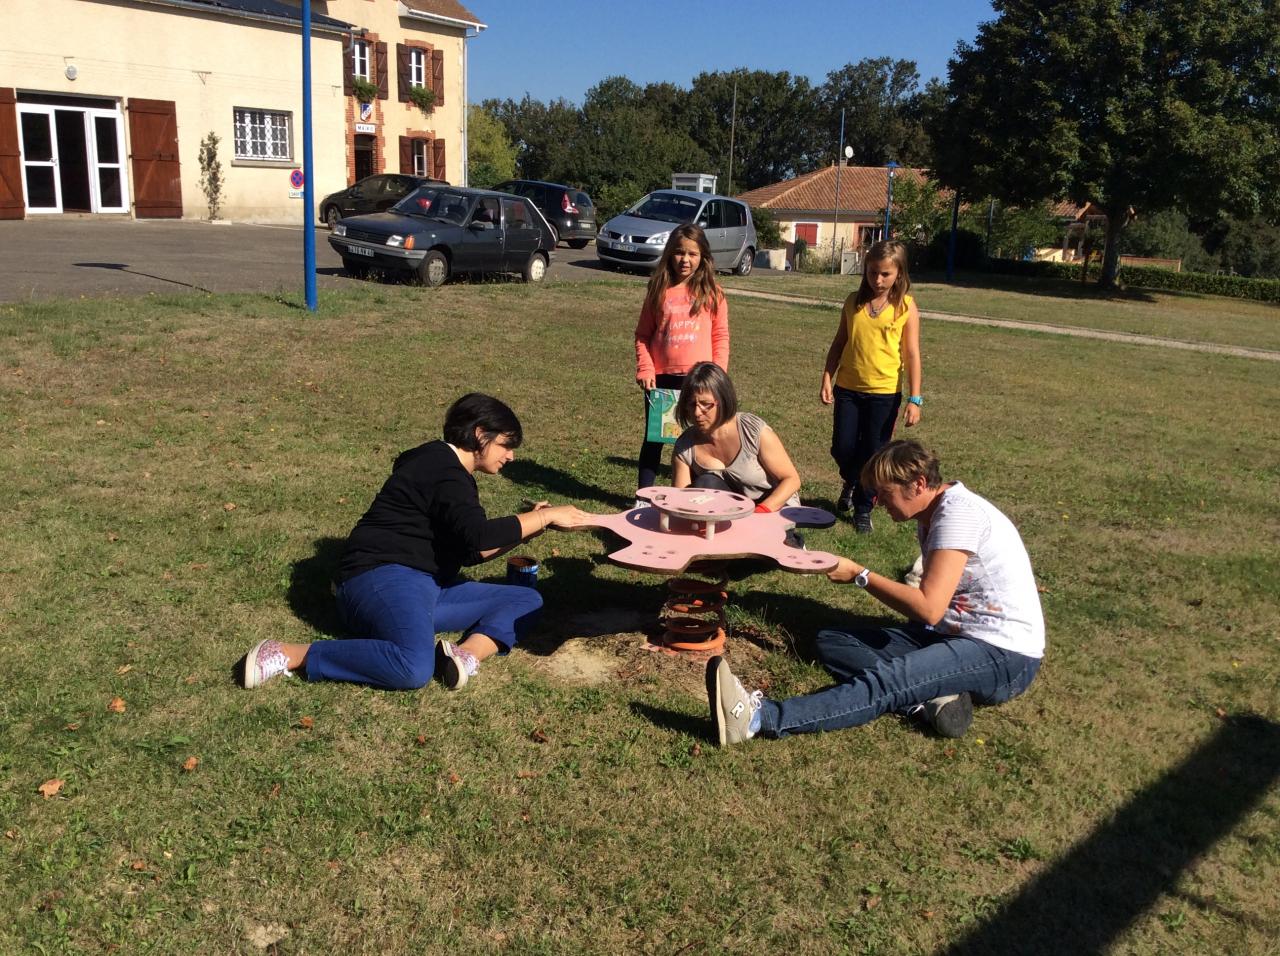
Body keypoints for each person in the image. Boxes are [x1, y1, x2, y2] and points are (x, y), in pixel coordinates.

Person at [240, 393, 593, 692]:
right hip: (380, 579)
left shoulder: (449, 472)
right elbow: (481, 537)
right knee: (411, 667)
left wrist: (534, 527)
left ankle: (466, 655)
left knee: (526, 598)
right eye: (506, 445)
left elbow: (474, 550)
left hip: (428, 586)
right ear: (479, 434)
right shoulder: (442, 468)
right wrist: (545, 516)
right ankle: (289, 652)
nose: (511, 456)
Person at [706, 440, 1044, 746]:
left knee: (888, 680)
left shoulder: (958, 515)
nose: (877, 502)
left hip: (1003, 654)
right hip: (953, 634)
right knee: (832, 640)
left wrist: (860, 575)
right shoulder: (936, 512)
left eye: (884, 493)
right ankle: (927, 699)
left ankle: (757, 719)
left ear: (919, 484)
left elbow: (928, 609)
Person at [819, 239, 923, 533]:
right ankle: (852, 480)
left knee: (874, 454)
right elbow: (840, 342)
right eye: (872, 272)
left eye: (885, 274)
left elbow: (912, 353)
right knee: (843, 447)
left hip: (884, 395)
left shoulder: (905, 307)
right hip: (848, 389)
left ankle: (863, 509)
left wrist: (915, 399)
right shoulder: (854, 302)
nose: (877, 280)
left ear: (899, 274)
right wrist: (827, 375)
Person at [634, 223, 729, 494]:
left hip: (700, 382)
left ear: (703, 257)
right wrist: (646, 368)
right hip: (661, 381)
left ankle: (700, 491)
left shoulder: (714, 293)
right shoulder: (658, 290)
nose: (685, 260)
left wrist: (717, 375)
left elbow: (720, 337)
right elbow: (642, 335)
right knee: (655, 439)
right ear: (669, 254)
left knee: (702, 437)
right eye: (678, 253)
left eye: (692, 254)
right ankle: (643, 495)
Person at [671, 361, 801, 513]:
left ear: (722, 399)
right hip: (731, 513)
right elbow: (681, 502)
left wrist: (760, 513)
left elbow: (791, 480)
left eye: (705, 404)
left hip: (772, 508)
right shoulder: (685, 447)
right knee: (706, 482)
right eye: (692, 404)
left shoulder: (752, 431)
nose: (697, 413)